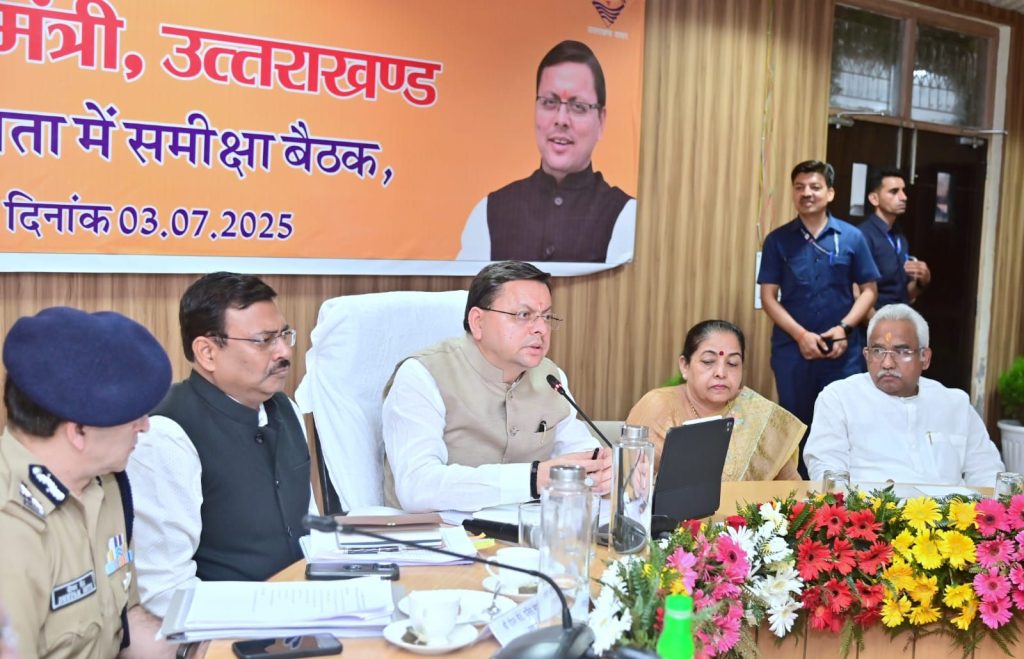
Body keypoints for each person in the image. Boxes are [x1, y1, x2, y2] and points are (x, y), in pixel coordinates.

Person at [127, 272, 315, 619]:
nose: (284, 351)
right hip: (224, 627)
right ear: (208, 353)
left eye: (284, 335)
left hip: (306, 609)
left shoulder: (286, 408)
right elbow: (166, 593)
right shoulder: (166, 434)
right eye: (264, 340)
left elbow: (310, 527)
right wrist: (268, 611)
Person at [0, 306, 175, 658]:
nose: (145, 426)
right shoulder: (11, 530)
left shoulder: (106, 484)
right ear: (78, 431)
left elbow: (126, 622)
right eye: (133, 416)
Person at [382, 260, 612, 512]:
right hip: (434, 532)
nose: (541, 329)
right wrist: (533, 479)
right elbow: (417, 486)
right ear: (478, 322)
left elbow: (579, 451)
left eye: (546, 317)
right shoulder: (422, 376)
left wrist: (603, 471)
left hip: (524, 530)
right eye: (523, 315)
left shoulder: (551, 378)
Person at [457, 40, 636, 263]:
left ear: (601, 120)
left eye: (578, 106)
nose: (561, 120)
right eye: (549, 102)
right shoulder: (490, 212)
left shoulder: (627, 218)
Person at [757, 160, 880, 477]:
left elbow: (869, 291)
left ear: (830, 193)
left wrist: (844, 329)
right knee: (795, 424)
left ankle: (841, 493)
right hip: (792, 350)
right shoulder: (777, 240)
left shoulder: (852, 237)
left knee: (843, 423)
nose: (806, 193)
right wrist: (801, 336)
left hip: (842, 352)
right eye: (799, 187)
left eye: (815, 187)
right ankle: (796, 493)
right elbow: (768, 297)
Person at [804, 303, 1003, 485]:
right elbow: (827, 471)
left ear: (925, 357)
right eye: (878, 351)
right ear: (866, 355)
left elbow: (987, 473)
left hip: (950, 511)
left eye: (901, 351)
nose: (887, 363)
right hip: (870, 510)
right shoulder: (839, 398)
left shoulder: (955, 404)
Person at [625, 320, 805, 481]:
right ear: (685, 366)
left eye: (732, 363)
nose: (721, 372)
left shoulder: (760, 415)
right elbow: (627, 481)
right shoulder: (658, 406)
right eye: (708, 361)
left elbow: (791, 490)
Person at [858, 167, 931, 317]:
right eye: (894, 191)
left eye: (903, 191)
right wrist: (877, 327)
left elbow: (905, 295)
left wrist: (922, 281)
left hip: (900, 320)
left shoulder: (899, 236)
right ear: (874, 199)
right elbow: (858, 295)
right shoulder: (864, 236)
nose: (903, 197)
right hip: (874, 324)